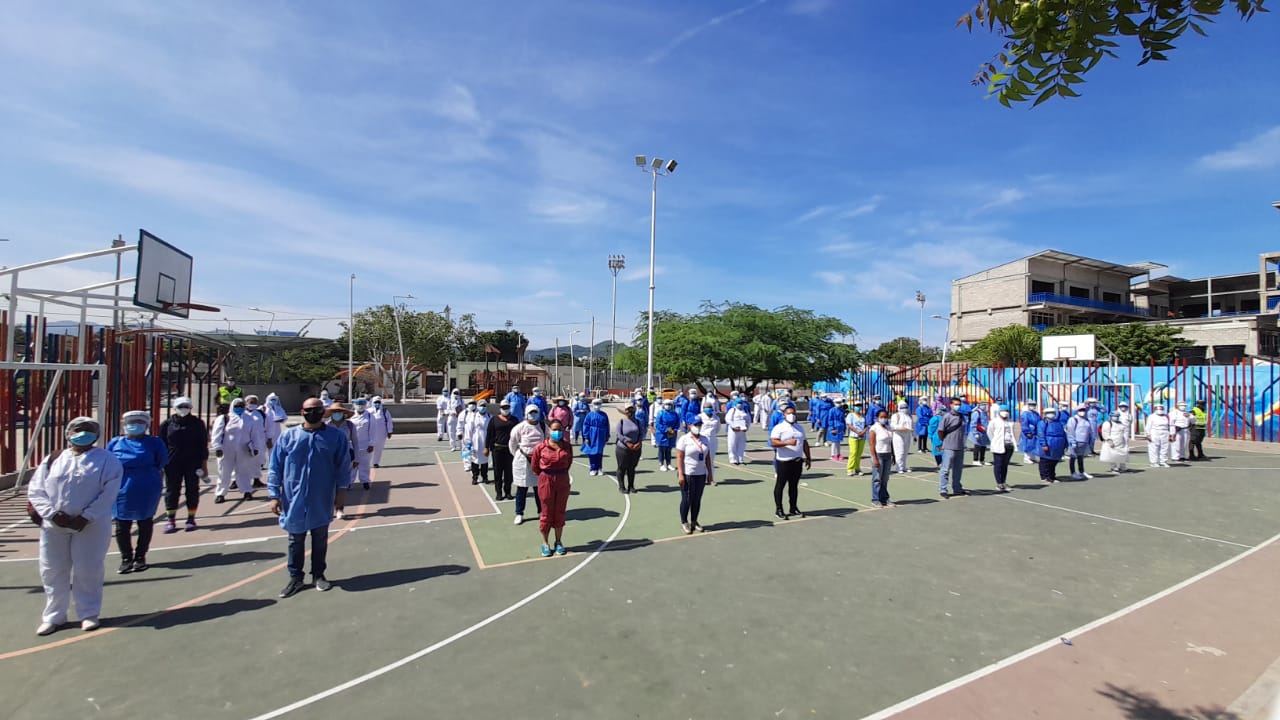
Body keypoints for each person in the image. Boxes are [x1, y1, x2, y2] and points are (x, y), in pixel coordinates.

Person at [27, 417, 123, 635]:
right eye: (78, 430)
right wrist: (52, 514)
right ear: (68, 434)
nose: (83, 434)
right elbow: (36, 490)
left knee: (88, 569)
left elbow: (109, 493)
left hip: (90, 526)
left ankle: (88, 614)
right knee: (52, 570)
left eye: (88, 430)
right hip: (54, 526)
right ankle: (54, 616)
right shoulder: (53, 458)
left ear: (97, 435)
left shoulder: (108, 460)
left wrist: (86, 516)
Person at [268, 397, 351, 598]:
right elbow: (275, 467)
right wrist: (274, 494)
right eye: (308, 410)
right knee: (295, 539)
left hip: (321, 497)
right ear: (302, 411)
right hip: (293, 497)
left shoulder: (336, 437)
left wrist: (341, 495)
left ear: (323, 412)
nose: (313, 413)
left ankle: (318, 575)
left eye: (317, 409)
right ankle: (295, 577)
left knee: (320, 538)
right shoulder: (289, 436)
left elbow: (343, 467)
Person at [107, 411, 167, 574]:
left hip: (147, 485)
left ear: (146, 425)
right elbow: (108, 462)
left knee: (145, 521)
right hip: (121, 486)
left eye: (139, 422)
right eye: (131, 422)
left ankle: (140, 557)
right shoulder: (115, 442)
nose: (135, 425)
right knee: (122, 523)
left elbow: (161, 461)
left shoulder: (155, 443)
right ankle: (126, 558)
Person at [157, 396, 208, 533]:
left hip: (193, 462)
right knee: (172, 490)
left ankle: (191, 519)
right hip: (172, 462)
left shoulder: (197, 423)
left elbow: (203, 444)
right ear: (175, 408)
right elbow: (161, 445)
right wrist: (160, 464)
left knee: (192, 489)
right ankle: (171, 520)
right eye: (180, 407)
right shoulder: (167, 424)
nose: (183, 409)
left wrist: (204, 464)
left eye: (186, 406)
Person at [530, 419, 574, 557]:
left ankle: (558, 541)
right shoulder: (540, 447)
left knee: (560, 511)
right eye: (554, 429)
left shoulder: (567, 446)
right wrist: (546, 475)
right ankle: (545, 543)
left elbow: (569, 462)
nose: (557, 432)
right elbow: (535, 467)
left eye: (559, 429)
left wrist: (560, 473)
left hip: (562, 479)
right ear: (549, 430)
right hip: (546, 479)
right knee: (546, 512)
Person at [211, 397, 265, 503]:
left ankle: (247, 491)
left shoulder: (249, 419)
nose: (239, 408)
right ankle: (220, 493)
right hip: (227, 449)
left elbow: (255, 435)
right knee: (224, 472)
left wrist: (256, 447)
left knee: (244, 471)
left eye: (241, 406)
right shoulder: (224, 418)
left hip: (244, 449)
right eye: (237, 406)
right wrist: (217, 447)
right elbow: (216, 434)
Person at [769, 404, 811, 520]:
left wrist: (808, 457)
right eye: (789, 413)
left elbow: (804, 443)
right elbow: (773, 442)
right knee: (780, 485)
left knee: (794, 486)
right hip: (784, 462)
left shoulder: (799, 428)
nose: (791, 415)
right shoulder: (779, 428)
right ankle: (779, 509)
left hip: (797, 461)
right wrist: (787, 443)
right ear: (784, 415)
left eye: (793, 413)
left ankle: (793, 508)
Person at [676, 415, 713, 533]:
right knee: (687, 499)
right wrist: (680, 474)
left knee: (697, 499)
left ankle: (694, 520)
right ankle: (684, 521)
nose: (698, 427)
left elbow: (707, 458)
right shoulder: (684, 439)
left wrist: (710, 474)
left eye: (700, 424)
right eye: (696, 424)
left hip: (700, 474)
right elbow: (679, 457)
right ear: (689, 425)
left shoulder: (705, 439)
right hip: (688, 473)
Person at [508, 405, 545, 525]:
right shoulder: (519, 427)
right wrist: (519, 455)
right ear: (526, 414)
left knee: (539, 489)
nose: (533, 415)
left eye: (535, 412)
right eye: (531, 413)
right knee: (521, 488)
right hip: (523, 460)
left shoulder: (543, 426)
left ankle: (541, 512)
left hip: (538, 461)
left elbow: (547, 441)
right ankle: (519, 513)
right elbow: (513, 444)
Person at [325, 404, 362, 520]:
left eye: (339, 412)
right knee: (328, 484)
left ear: (344, 413)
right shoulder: (326, 425)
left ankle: (339, 509)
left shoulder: (350, 425)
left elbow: (355, 442)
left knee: (342, 484)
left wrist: (357, 458)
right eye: (334, 412)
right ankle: (328, 508)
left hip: (345, 456)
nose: (337, 414)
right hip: (329, 457)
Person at [485, 400, 519, 501]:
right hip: (497, 450)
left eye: (507, 407)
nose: (505, 409)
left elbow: (518, 434)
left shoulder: (514, 420)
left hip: (510, 450)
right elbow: (489, 434)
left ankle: (508, 492)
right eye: (503, 407)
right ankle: (499, 492)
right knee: (498, 472)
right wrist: (486, 447)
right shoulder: (494, 420)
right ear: (500, 408)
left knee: (509, 472)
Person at [936, 397, 968, 498]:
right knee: (945, 469)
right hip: (949, 447)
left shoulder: (962, 417)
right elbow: (940, 431)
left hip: (960, 446)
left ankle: (957, 488)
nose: (958, 406)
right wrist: (945, 440)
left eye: (959, 404)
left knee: (958, 469)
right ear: (951, 405)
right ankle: (943, 489)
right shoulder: (947, 416)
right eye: (955, 404)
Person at [867, 410, 896, 508]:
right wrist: (875, 458)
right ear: (877, 418)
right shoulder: (874, 428)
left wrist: (893, 455)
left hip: (887, 454)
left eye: (885, 417)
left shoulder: (888, 428)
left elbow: (890, 442)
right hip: (878, 454)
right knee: (877, 478)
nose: (884, 419)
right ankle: (875, 499)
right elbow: (872, 444)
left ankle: (884, 498)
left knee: (885, 478)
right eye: (881, 417)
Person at [614, 403, 644, 494]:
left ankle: (631, 486)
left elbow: (641, 434)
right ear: (625, 411)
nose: (630, 411)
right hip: (623, 449)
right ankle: (622, 487)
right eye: (628, 409)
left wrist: (639, 442)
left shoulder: (638, 422)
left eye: (632, 409)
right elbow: (618, 434)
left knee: (632, 468)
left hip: (636, 449)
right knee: (622, 468)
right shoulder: (622, 421)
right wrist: (627, 443)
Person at [987, 405, 1018, 492]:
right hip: (998, 445)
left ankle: (1004, 482)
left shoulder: (1010, 421)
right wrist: (994, 441)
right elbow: (990, 432)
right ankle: (999, 483)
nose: (1005, 412)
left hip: (1009, 445)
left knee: (1005, 465)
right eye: (1003, 410)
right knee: (998, 464)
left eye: (1007, 411)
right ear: (999, 412)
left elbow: (1012, 433)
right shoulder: (994, 421)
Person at [1036, 404, 1069, 483]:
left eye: (1053, 413)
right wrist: (1044, 444)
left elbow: (1063, 434)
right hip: (1048, 443)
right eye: (1049, 413)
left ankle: (1052, 476)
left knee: (1054, 461)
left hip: (1058, 444)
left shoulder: (1058, 423)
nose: (1051, 414)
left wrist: (1065, 444)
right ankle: (1045, 476)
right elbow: (1041, 434)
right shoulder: (1043, 423)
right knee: (1045, 461)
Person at [579, 399, 611, 476]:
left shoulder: (604, 415)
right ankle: (593, 468)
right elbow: (585, 426)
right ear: (593, 405)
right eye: (596, 404)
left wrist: (607, 436)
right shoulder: (589, 415)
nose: (597, 405)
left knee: (599, 452)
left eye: (598, 404)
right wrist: (586, 437)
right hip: (592, 435)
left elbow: (607, 426)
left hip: (601, 435)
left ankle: (599, 468)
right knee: (592, 452)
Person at [348, 398, 374, 490]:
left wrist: (371, 443)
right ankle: (349, 482)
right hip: (352, 444)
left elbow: (372, 430)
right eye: (358, 404)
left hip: (365, 444)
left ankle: (365, 481)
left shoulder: (370, 416)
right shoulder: (350, 415)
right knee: (352, 464)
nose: (360, 406)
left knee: (365, 463)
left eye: (362, 404)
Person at [1065, 405, 1096, 480]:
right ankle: (1073, 473)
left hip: (1084, 441)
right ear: (1077, 411)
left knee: (1081, 457)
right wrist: (1072, 441)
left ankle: (1081, 472)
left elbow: (1089, 431)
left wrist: (1089, 440)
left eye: (1084, 410)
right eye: (1081, 410)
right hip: (1076, 441)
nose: (1083, 412)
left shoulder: (1086, 420)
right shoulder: (1073, 419)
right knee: (1073, 457)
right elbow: (1070, 431)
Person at [464, 399, 491, 485]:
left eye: (484, 406)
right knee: (475, 460)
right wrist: (468, 442)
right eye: (481, 406)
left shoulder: (490, 416)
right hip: (475, 441)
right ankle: (475, 477)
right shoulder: (473, 416)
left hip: (485, 441)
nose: (482, 407)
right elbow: (469, 430)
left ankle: (485, 477)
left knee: (485, 460)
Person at [654, 399, 681, 472]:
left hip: (672, 434)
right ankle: (661, 464)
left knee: (669, 449)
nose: (668, 406)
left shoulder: (675, 414)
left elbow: (677, 423)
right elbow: (658, 424)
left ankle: (669, 464)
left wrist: (674, 430)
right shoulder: (661, 413)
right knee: (662, 449)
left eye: (669, 404)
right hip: (662, 434)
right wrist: (666, 430)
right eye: (666, 404)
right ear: (663, 405)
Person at [368, 396, 394, 467]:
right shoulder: (368, 411)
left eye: (378, 402)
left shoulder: (385, 411)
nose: (377, 403)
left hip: (381, 433)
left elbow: (389, 421)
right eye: (375, 402)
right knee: (369, 448)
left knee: (379, 448)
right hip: (370, 433)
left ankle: (376, 462)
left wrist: (389, 431)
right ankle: (367, 462)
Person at [725, 396, 750, 465]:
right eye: (738, 403)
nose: (740, 404)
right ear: (735, 403)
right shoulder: (732, 410)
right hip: (733, 430)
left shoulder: (744, 411)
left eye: (741, 403)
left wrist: (747, 428)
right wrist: (733, 427)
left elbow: (748, 420)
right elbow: (728, 419)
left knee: (742, 444)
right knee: (732, 444)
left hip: (742, 430)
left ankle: (740, 458)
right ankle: (733, 459)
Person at [889, 401, 913, 472]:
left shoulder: (909, 416)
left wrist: (914, 435)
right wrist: (900, 428)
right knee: (899, 451)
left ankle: (903, 466)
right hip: (898, 435)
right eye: (902, 407)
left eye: (905, 407)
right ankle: (899, 467)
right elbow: (892, 426)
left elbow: (912, 425)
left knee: (905, 451)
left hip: (907, 435)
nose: (904, 408)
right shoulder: (896, 415)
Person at [845, 401, 868, 476]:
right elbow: (850, 425)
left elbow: (866, 425)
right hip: (853, 436)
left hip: (862, 437)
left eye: (860, 405)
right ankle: (850, 469)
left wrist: (863, 432)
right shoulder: (850, 415)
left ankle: (857, 468)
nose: (859, 407)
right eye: (857, 405)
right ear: (854, 406)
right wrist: (857, 432)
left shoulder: (863, 416)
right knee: (853, 453)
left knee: (859, 454)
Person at [1019, 401, 1041, 466]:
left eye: (1034, 405)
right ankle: (1026, 458)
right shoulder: (1025, 414)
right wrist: (1027, 432)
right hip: (1028, 431)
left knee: (1034, 444)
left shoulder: (1036, 414)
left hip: (1035, 431)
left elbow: (1039, 421)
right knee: (1027, 444)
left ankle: (1032, 457)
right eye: (1031, 405)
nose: (1032, 406)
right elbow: (1024, 423)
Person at [969, 402, 990, 466]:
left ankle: (982, 460)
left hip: (984, 432)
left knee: (983, 446)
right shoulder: (976, 413)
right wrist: (975, 433)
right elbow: (973, 423)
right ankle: (975, 460)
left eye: (985, 405)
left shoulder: (985, 413)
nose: (984, 406)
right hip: (978, 432)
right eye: (982, 405)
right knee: (977, 446)